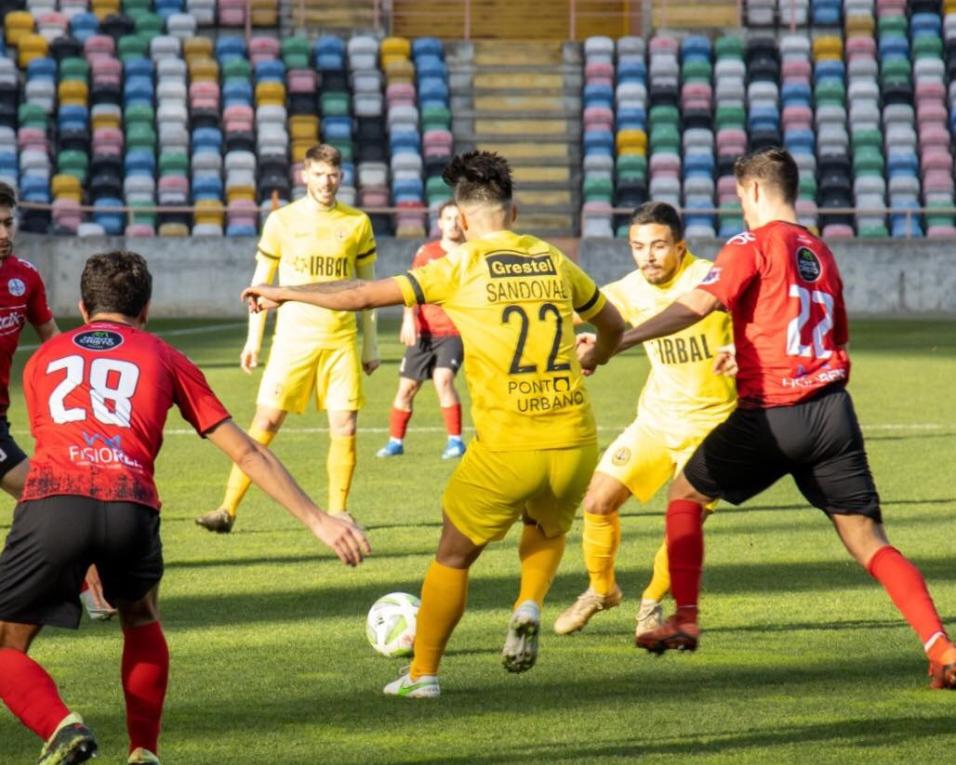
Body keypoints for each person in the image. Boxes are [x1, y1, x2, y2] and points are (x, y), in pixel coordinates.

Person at [243, 150, 625, 698]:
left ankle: (422, 675)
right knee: (548, 527)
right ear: (513, 215)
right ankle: (529, 603)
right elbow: (612, 323)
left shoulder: (457, 266)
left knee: (453, 554)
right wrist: (596, 356)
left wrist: (284, 292)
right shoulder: (551, 258)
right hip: (575, 440)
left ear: (462, 221)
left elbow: (356, 295)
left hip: (509, 448)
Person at [581, 147, 956, 689]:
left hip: (775, 412)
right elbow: (830, 335)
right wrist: (748, 350)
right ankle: (940, 647)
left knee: (685, 494)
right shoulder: (820, 251)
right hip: (833, 413)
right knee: (869, 539)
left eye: (739, 197)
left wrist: (621, 341)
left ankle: (683, 618)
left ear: (753, 190)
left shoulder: (750, 244)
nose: (741, 207)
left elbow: (696, 305)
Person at [0, 251, 370, 765]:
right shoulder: (164, 356)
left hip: (55, 503)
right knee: (142, 616)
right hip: (131, 508)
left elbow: (60, 444)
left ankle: (61, 726)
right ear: (147, 309)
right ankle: (143, 753)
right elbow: (247, 450)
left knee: (5, 643)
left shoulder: (43, 360)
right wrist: (320, 520)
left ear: (84, 308)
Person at [552, 202, 737, 639]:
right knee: (597, 500)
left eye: (657, 246)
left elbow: (758, 316)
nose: (647, 256)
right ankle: (601, 591)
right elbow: (569, 314)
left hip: (714, 427)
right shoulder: (630, 289)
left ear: (680, 246)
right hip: (656, 420)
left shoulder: (709, 278)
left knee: (681, 518)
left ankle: (651, 602)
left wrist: (744, 353)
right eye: (638, 247)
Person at [196, 144, 380, 534]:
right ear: (305, 176)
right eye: (318, 174)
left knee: (345, 426)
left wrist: (371, 345)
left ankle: (339, 512)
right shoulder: (281, 221)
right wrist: (253, 341)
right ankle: (226, 509)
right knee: (265, 420)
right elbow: (260, 287)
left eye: (332, 174)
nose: (326, 182)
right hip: (292, 341)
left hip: (340, 341)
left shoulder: (358, 223)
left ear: (341, 177)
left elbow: (369, 290)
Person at [0, 183, 112, 620]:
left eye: (7, 223)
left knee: (44, 498)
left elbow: (53, 342)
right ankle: (87, 589)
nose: (3, 233)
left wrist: (89, 377)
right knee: (43, 496)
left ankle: (86, 588)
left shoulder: (24, 277)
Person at [377, 200, 467, 460]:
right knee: (407, 388)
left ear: (465, 222)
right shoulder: (427, 253)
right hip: (423, 331)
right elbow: (412, 287)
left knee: (443, 379)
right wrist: (408, 318)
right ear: (439, 223)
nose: (452, 223)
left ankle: (455, 441)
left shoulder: (472, 253)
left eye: (457, 218)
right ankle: (395, 442)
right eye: (447, 218)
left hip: (453, 331)